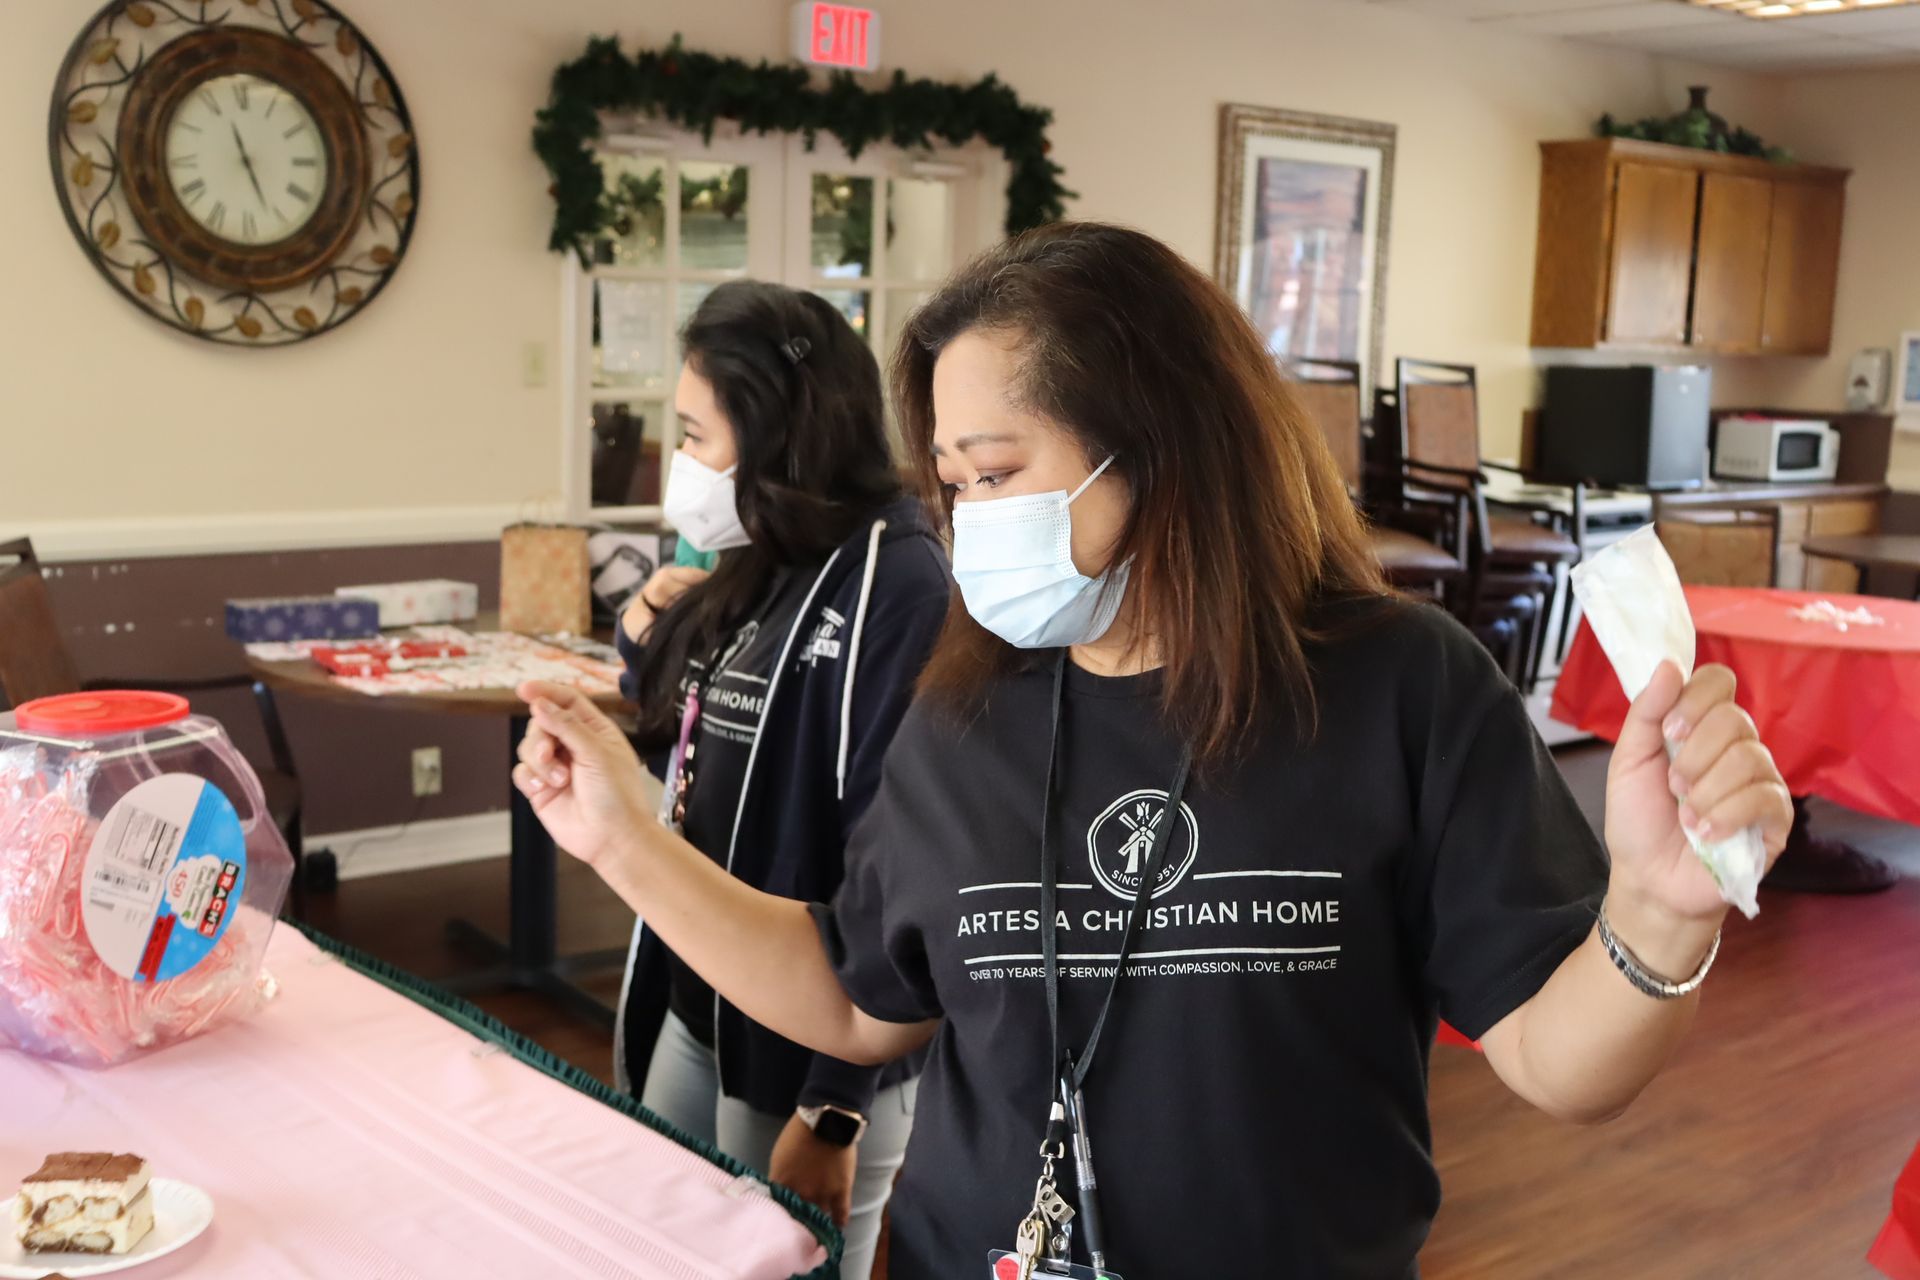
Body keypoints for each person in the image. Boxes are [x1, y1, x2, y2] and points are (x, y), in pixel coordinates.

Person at [515, 224, 1794, 1278]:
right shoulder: (964, 711)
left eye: (999, 470)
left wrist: (1659, 911)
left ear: (1159, 447)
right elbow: (858, 999)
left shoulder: (1399, 685)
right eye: (952, 483)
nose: (968, 522)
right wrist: (620, 834)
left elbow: (1555, 1063)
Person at [612, 281, 950, 1280]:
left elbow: (903, 866)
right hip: (698, 995)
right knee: (666, 1246)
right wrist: (645, 640)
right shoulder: (760, 553)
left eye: (694, 435)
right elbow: (692, 733)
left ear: (774, 434)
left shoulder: (898, 581)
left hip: (808, 1049)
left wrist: (834, 1105)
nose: (680, 465)